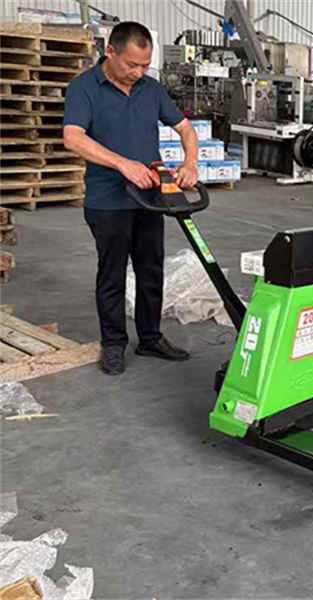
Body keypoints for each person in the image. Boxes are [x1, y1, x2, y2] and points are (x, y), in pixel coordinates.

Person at [63, 22, 198, 376]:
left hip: (149, 199)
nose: (138, 73)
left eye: (145, 65)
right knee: (112, 274)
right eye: (131, 65)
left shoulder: (150, 89)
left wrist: (191, 162)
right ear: (110, 52)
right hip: (107, 201)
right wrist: (122, 164)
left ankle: (150, 338)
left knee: (151, 269)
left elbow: (185, 128)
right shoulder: (84, 88)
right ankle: (113, 344)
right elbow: (73, 137)